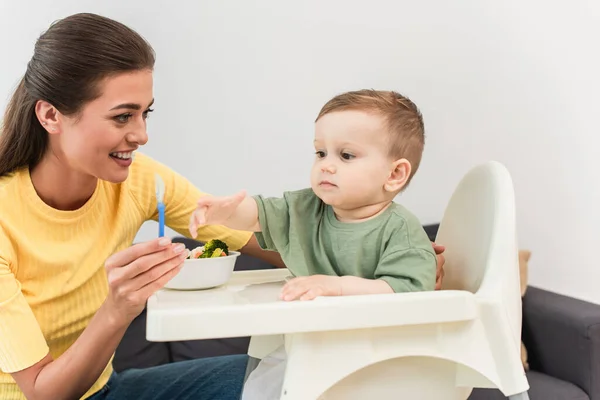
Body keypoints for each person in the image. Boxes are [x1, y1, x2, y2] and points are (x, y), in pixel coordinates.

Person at [0, 12, 445, 400]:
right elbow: (43, 391)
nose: (141, 134)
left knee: (293, 380)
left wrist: (387, 265)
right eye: (122, 116)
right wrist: (118, 308)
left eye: (145, 113)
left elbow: (265, 239)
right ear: (51, 116)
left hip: (109, 390)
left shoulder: (139, 180)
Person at [188, 89, 440, 399]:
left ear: (395, 174)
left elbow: (407, 290)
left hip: (382, 354)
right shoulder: (307, 208)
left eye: (345, 155)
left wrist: (334, 286)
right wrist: (227, 212)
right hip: (314, 343)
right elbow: (261, 214)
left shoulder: (401, 232)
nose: (326, 165)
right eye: (321, 153)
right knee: (266, 384)